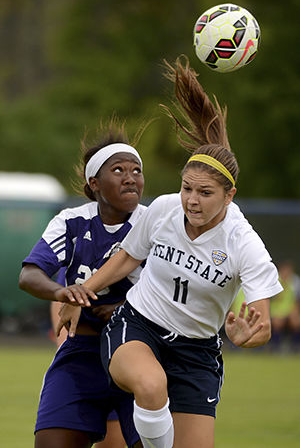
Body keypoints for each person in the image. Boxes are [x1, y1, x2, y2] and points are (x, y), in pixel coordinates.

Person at [58, 57, 283, 448]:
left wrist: (250, 336)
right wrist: (81, 294)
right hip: (138, 326)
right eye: (187, 188)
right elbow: (127, 257)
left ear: (230, 196)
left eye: (205, 193)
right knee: (150, 383)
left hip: (196, 352)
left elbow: (260, 321)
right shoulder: (164, 208)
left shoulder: (243, 242)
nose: (191, 201)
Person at [18, 118, 146, 448]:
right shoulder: (71, 222)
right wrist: (63, 292)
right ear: (95, 183)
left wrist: (123, 307)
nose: (130, 177)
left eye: (136, 170)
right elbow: (29, 275)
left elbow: (171, 287)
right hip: (81, 355)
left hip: (140, 352)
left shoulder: (154, 222)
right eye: (118, 170)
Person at [270, 259, 300, 351]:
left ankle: (295, 346)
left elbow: (296, 300)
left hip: (290, 309)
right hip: (275, 309)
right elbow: (271, 299)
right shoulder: (274, 280)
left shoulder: (295, 281)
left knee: (296, 321)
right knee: (277, 321)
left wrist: (295, 311)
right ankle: (276, 347)